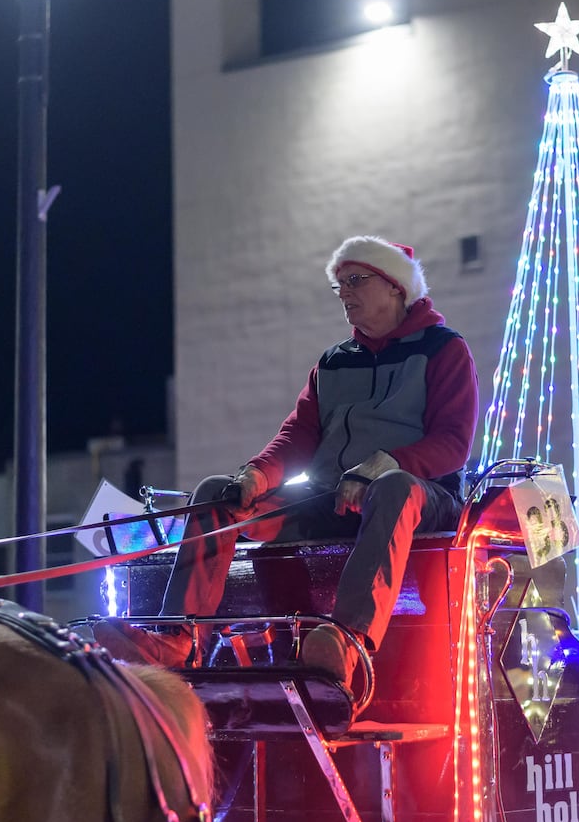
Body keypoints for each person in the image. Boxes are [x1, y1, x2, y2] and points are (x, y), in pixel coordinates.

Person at [94, 236, 478, 690]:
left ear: (396, 286)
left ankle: (346, 640)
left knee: (393, 488)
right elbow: (297, 436)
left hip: (418, 497)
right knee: (217, 491)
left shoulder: (444, 349)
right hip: (332, 498)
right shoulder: (333, 363)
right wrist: (256, 474)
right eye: (340, 286)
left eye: (356, 280)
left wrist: (381, 466)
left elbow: (453, 443)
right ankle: (179, 636)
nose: (346, 293)